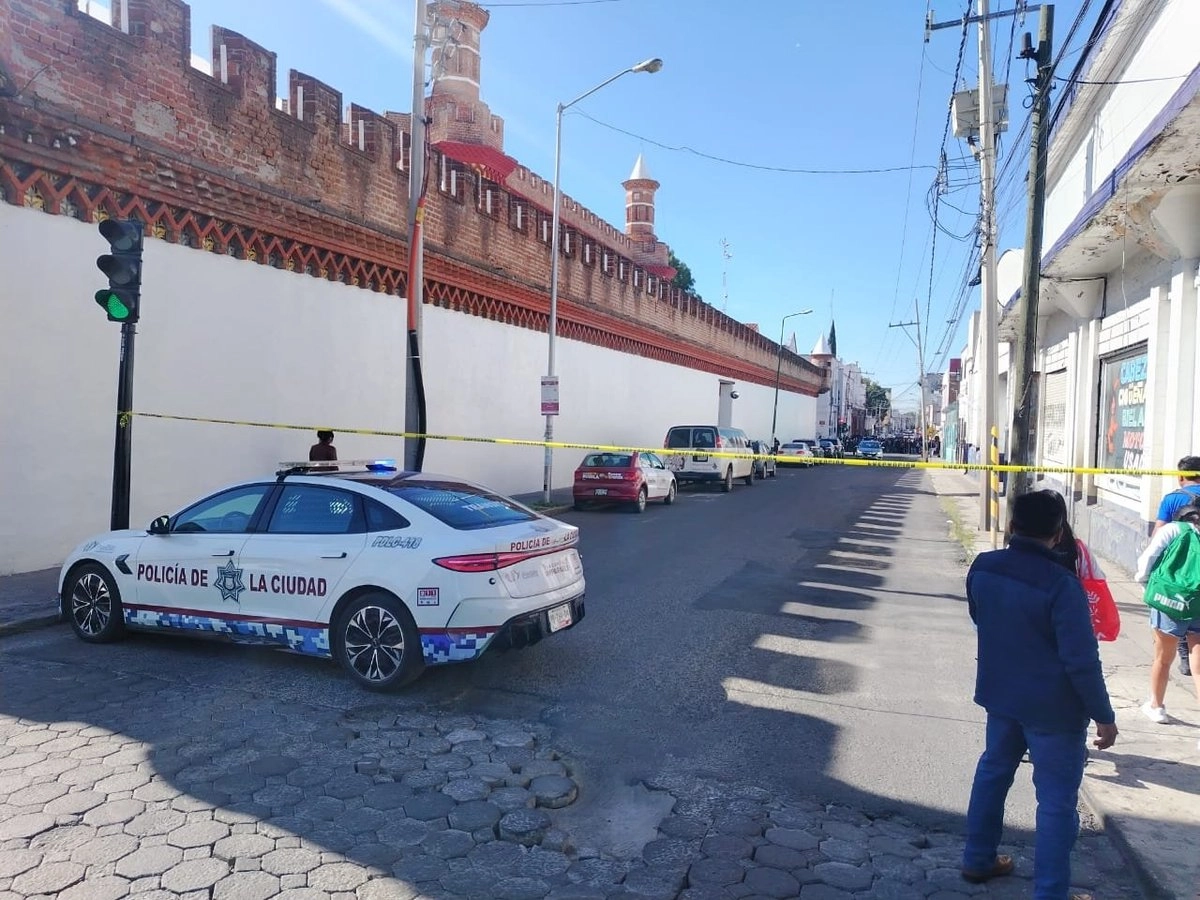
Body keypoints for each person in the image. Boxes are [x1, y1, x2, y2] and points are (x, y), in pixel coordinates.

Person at [962, 491, 1117, 900]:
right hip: (1054, 710)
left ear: (1012, 526)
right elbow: (1081, 660)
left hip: (1001, 695)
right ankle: (1050, 892)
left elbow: (982, 616)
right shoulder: (1062, 586)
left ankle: (977, 859)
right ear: (1059, 533)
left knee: (992, 774)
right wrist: (1104, 715)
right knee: (1055, 804)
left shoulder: (985, 566)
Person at [1135, 500, 1200, 730]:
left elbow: (1146, 561)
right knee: (1199, 664)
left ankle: (1156, 705)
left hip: (1169, 600)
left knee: (1163, 658)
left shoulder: (1173, 529)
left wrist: (1145, 585)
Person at [1152, 456, 1200, 676]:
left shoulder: (1172, 499)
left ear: (1180, 476)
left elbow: (1158, 533)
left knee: (1174, 611)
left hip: (1176, 569)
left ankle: (1182, 653)